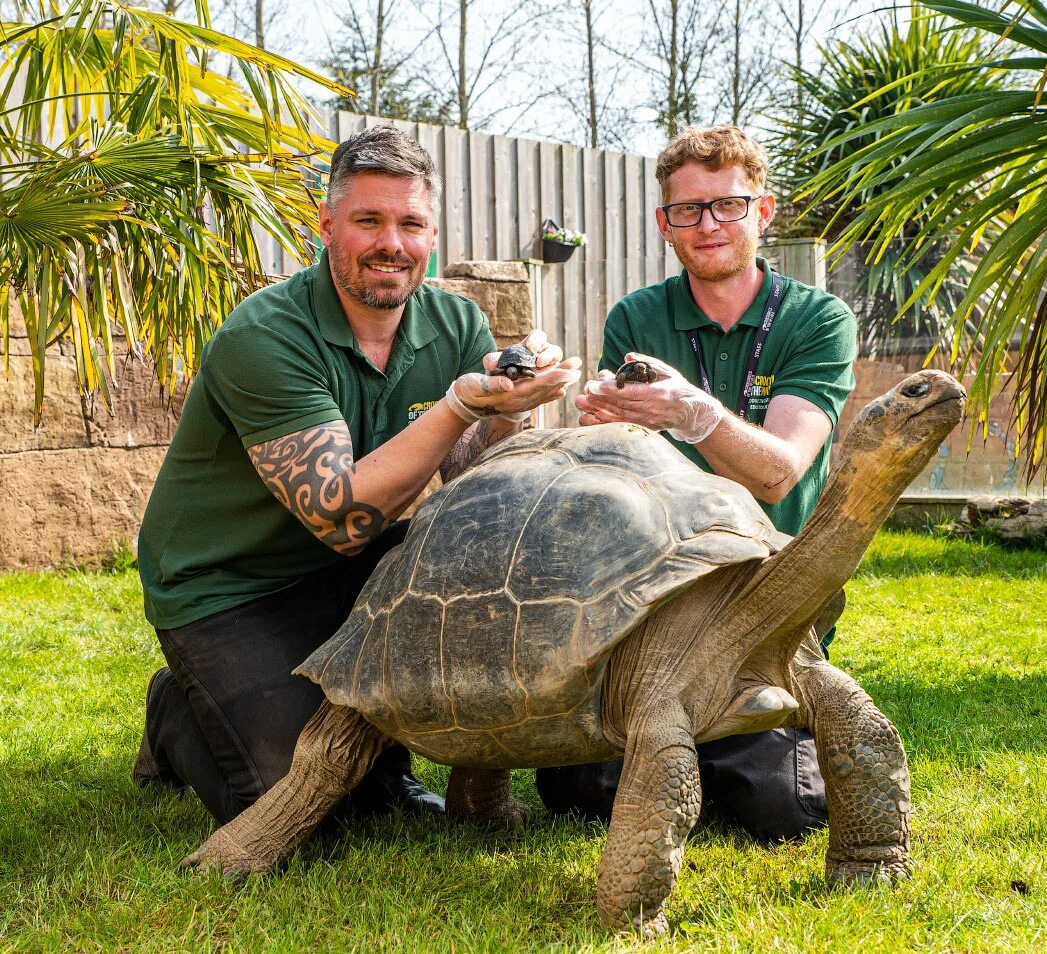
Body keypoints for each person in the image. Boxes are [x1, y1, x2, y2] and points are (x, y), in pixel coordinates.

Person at [132, 124, 581, 825]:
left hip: (355, 570)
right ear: (328, 225)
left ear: (432, 233)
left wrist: (510, 413)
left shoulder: (455, 322)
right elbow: (338, 519)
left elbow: (471, 481)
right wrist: (460, 402)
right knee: (302, 809)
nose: (390, 245)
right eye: (368, 220)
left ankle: (378, 760)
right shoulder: (267, 334)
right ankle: (177, 709)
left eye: (410, 223)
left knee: (489, 563)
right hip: (230, 584)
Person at [535, 125, 857, 844]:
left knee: (783, 812)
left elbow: (779, 472)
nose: (707, 224)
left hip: (762, 598)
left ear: (763, 211)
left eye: (727, 205)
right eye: (687, 210)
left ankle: (732, 748)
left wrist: (692, 411)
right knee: (576, 788)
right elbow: (631, 478)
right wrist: (605, 429)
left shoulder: (816, 318)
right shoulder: (637, 316)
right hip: (661, 596)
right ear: (663, 222)